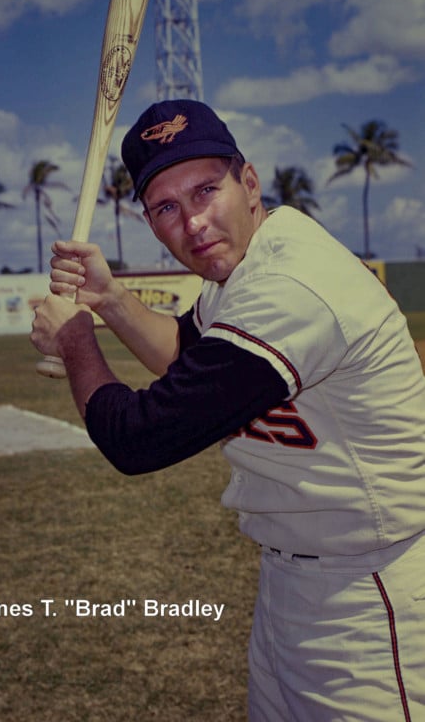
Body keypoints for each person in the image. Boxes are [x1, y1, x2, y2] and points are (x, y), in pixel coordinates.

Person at [31, 99, 425, 721]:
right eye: (167, 207)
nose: (193, 224)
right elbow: (184, 354)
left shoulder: (291, 287)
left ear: (248, 182)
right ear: (149, 222)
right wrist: (107, 300)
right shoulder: (240, 276)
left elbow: (140, 439)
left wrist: (77, 342)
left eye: (206, 190)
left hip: (371, 593)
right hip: (290, 584)